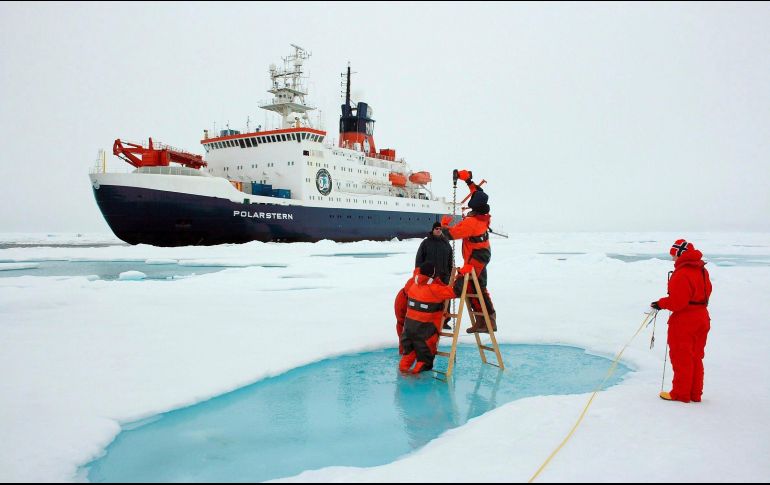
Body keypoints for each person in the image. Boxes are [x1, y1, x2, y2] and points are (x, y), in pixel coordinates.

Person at [651, 239, 712, 403]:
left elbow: (678, 302)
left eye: (674, 255)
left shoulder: (682, 273)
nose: (672, 259)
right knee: (696, 357)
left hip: (685, 321)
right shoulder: (702, 270)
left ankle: (680, 394)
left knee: (682, 358)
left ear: (680, 254)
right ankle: (694, 394)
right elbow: (706, 292)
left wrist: (660, 303)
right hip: (702, 317)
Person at [440, 170, 496, 333]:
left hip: (476, 258)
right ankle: (484, 321)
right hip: (481, 254)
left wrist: (444, 225)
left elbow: (450, 234)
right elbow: (478, 192)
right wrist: (468, 180)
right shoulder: (483, 215)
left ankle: (487, 321)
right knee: (477, 288)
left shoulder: (472, 223)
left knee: (465, 285)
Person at [398, 261, 462, 374]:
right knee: (424, 361)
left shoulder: (412, 286)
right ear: (432, 275)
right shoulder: (435, 289)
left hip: (408, 331)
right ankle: (417, 380)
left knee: (408, 356)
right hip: (425, 333)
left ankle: (403, 375)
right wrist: (461, 276)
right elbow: (456, 292)